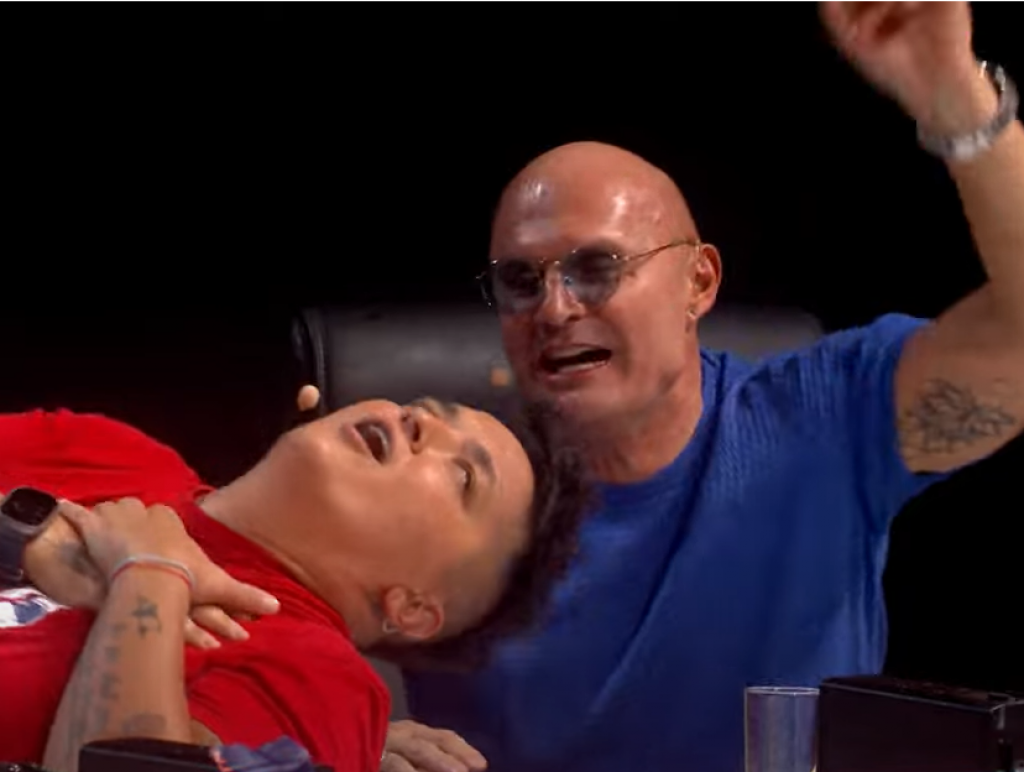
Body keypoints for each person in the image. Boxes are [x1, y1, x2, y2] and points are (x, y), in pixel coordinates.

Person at [387, 4, 1024, 772]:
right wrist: (348, 730)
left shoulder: (827, 417)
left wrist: (958, 99)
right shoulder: (435, 486)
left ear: (699, 282)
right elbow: (271, 614)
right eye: (521, 281)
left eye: (596, 268)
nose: (553, 310)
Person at [0, 395, 589, 772]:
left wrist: (148, 576)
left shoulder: (323, 687)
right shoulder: (121, 455)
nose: (417, 423)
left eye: (462, 476)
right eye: (422, 409)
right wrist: (21, 534)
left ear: (412, 607)